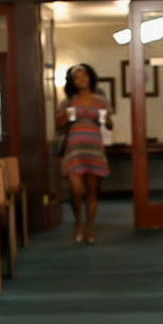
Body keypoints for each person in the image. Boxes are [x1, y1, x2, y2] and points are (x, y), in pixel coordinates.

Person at [55, 63, 113, 243]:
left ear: (90, 77)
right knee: (75, 189)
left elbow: (109, 125)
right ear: (72, 82)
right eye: (76, 78)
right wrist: (64, 117)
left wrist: (107, 119)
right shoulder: (68, 102)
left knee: (92, 190)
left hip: (94, 149)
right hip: (74, 150)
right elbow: (58, 126)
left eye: (84, 75)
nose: (81, 80)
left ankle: (90, 227)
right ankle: (78, 222)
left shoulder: (101, 100)